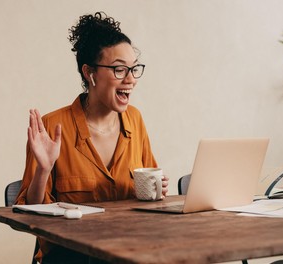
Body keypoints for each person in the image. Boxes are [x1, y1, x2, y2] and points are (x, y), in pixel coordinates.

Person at [15, 11, 169, 264]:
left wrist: (156, 190)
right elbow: (30, 214)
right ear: (90, 73)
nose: (130, 79)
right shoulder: (52, 126)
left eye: (134, 69)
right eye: (119, 69)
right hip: (71, 256)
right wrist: (43, 169)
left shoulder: (135, 120)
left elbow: (150, 201)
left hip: (127, 249)